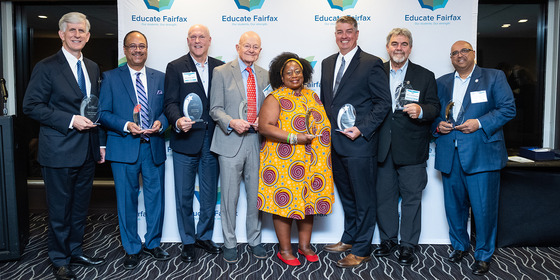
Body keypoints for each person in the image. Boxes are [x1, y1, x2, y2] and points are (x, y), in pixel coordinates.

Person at [22, 12, 106, 280]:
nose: (77, 35)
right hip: (58, 151)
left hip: (87, 150)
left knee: (80, 208)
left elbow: (95, 107)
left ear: (88, 35)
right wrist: (70, 120)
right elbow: (31, 106)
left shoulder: (92, 66)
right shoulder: (46, 67)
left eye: (82, 31)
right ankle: (59, 259)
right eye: (72, 31)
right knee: (59, 210)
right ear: (61, 34)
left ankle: (75, 250)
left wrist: (100, 144)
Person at [434, 40, 516, 275]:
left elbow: (508, 109)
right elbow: (433, 113)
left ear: (473, 54)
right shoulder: (442, 83)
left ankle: (483, 255)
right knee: (454, 207)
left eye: (464, 51)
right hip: (450, 152)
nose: (460, 55)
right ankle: (459, 246)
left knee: (483, 209)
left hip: (482, 155)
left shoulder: (494, 77)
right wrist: (438, 125)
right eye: (454, 53)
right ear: (451, 58)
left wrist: (479, 123)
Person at [320, 16, 392, 268]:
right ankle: (350, 238)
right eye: (339, 32)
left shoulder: (372, 63)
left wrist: (362, 129)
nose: (344, 36)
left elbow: (384, 103)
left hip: (359, 144)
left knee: (364, 199)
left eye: (349, 31)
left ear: (357, 34)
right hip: (334, 144)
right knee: (347, 196)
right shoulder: (327, 63)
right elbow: (327, 102)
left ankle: (362, 249)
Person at [98, 30, 170, 270]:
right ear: (125, 50)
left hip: (153, 147)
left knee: (155, 200)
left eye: (142, 46)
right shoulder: (109, 78)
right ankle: (131, 248)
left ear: (146, 49)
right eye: (133, 46)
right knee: (126, 202)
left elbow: (167, 109)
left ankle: (153, 242)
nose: (138, 50)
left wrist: (162, 122)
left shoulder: (160, 77)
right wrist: (126, 125)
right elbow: (103, 113)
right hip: (123, 147)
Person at [258, 53, 334, 266]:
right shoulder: (275, 97)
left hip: (313, 162)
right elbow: (265, 127)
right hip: (283, 162)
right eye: (288, 72)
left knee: (308, 203)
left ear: (305, 74)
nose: (294, 75)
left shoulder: (313, 96)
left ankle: (305, 246)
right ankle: (284, 250)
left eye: (298, 71)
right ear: (281, 77)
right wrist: (296, 138)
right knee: (285, 203)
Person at [374, 28, 440, 266]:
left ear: (410, 48)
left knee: (412, 198)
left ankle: (407, 245)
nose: (398, 48)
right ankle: (388, 240)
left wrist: (422, 110)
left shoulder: (425, 75)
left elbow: (435, 107)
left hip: (412, 148)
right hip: (381, 146)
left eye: (403, 44)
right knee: (384, 198)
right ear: (387, 47)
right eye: (394, 43)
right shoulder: (376, 72)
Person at [163, 24, 224, 263]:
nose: (197, 41)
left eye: (202, 37)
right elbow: (169, 102)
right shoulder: (176, 67)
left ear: (210, 40)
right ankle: (188, 241)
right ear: (188, 41)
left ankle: (204, 236)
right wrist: (177, 120)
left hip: (214, 140)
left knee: (209, 195)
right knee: (184, 194)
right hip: (185, 140)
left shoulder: (220, 67)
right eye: (193, 37)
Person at [209, 31, 269, 263]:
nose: (251, 50)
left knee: (256, 196)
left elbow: (270, 107)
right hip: (230, 140)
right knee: (229, 197)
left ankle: (254, 239)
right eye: (247, 46)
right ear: (238, 47)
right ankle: (230, 242)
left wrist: (262, 122)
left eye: (256, 47)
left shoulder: (265, 75)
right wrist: (232, 122)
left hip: (257, 142)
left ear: (260, 51)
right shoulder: (221, 72)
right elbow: (215, 108)